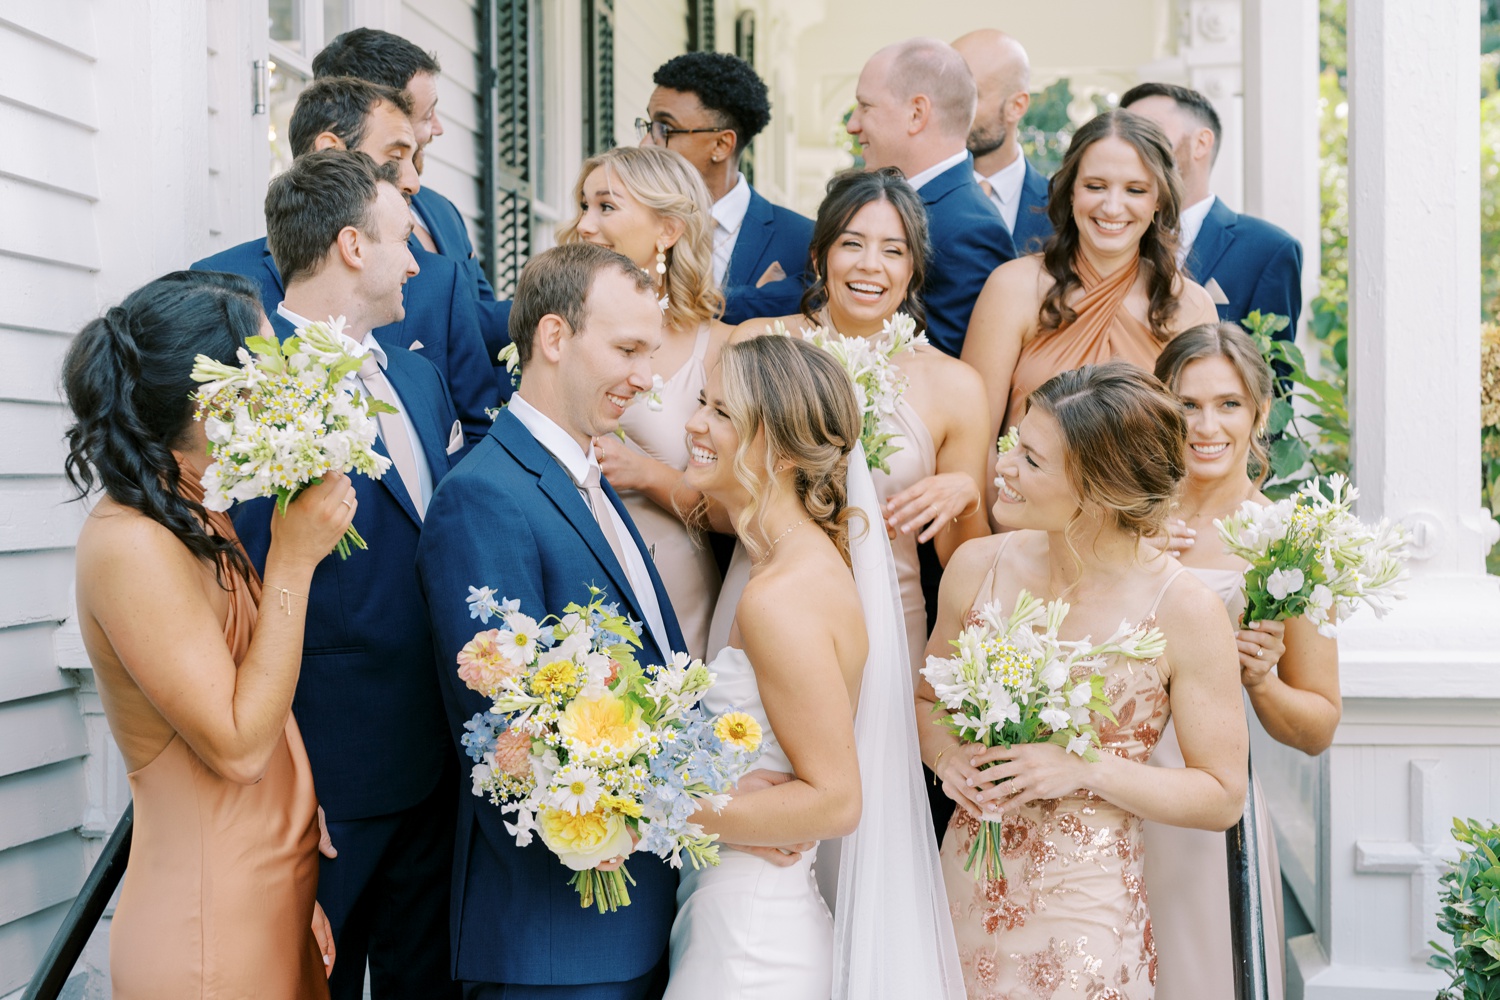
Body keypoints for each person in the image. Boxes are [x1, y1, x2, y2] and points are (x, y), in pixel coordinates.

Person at [63, 270, 356, 998]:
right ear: (209, 397)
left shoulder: (194, 512)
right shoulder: (131, 543)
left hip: (267, 904)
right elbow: (237, 747)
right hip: (209, 929)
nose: (279, 384)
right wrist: (292, 561)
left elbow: (255, 684)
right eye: (263, 365)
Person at [917, 361, 1248, 998]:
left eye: (1033, 461)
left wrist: (1085, 768)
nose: (1005, 465)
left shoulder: (1184, 610)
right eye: (1016, 442)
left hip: (1085, 914)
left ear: (1099, 489)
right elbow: (928, 696)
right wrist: (948, 758)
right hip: (963, 883)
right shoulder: (976, 565)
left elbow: (1222, 794)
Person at [416, 243, 686, 998]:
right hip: (552, 939)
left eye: (650, 352)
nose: (645, 374)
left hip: (632, 917)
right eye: (628, 348)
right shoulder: (486, 496)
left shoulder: (588, 476)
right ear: (556, 337)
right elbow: (509, 725)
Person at [229, 150, 465, 1000]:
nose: (415, 263)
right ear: (351, 247)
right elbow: (241, 595)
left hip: (440, 763)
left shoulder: (420, 377)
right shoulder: (253, 388)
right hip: (328, 780)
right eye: (403, 240)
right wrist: (288, 784)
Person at [666, 334, 963, 1000]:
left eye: (720, 413)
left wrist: (662, 804)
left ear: (780, 448)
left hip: (751, 944)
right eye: (702, 404)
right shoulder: (802, 567)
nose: (694, 424)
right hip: (735, 910)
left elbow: (835, 799)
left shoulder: (781, 597)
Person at [718, 166, 992, 677]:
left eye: (893, 250)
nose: (871, 266)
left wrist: (966, 497)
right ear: (820, 256)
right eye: (852, 244)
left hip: (888, 621)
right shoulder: (757, 345)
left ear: (913, 269)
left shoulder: (957, 387)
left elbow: (962, 561)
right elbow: (718, 502)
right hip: (762, 602)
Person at [1145, 323, 1342, 1000]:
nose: (1207, 425)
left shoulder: (1290, 543)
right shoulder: (1117, 515)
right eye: (1187, 404)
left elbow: (1317, 728)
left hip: (1205, 804)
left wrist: (1259, 681)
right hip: (1094, 786)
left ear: (1259, 411)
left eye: (1228, 404)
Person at [193, 76, 501, 445]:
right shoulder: (217, 284)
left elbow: (475, 429)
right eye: (394, 159)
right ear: (330, 152)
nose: (412, 181)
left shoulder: (437, 282)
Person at [962, 109, 1220, 451]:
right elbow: (974, 443)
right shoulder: (1012, 288)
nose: (1112, 207)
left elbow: (1197, 445)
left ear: (1159, 199)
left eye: (1135, 190)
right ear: (1071, 192)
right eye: (1095, 186)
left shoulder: (1191, 306)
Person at [561, 145, 730, 658]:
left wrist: (644, 473)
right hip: (570, 581)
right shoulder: (556, 331)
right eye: (584, 206)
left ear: (668, 230)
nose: (585, 225)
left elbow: (738, 511)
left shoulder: (720, 347)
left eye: (606, 207)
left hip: (677, 585)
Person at [313, 27, 514, 362]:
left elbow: (479, 317)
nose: (437, 127)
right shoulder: (329, 231)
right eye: (426, 114)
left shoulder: (441, 210)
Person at [846, 37, 1016, 357]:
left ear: (917, 113)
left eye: (865, 106)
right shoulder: (880, 199)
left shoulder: (970, 231)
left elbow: (945, 366)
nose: (852, 125)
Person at [642, 52, 814, 324]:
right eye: (650, 125)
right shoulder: (632, 225)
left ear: (721, 145)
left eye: (665, 128)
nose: (645, 144)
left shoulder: (804, 240)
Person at [1121, 82, 1304, 335]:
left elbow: (1271, 372)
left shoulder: (1268, 250)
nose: (1131, 147)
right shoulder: (1105, 233)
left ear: (1201, 143)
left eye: (1149, 132)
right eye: (1126, 135)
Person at [952, 29, 1052, 253]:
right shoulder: (913, 197)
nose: (948, 109)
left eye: (969, 96)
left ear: (1016, 107)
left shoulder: (1063, 207)